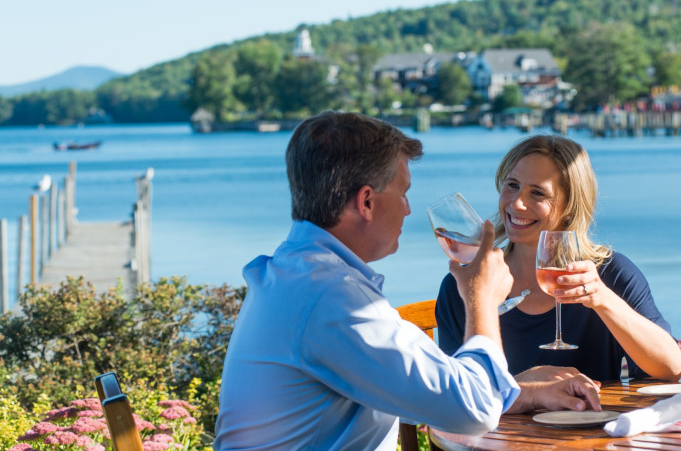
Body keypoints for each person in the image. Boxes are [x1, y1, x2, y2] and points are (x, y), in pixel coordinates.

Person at [214, 113, 601, 451]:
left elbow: (441, 386)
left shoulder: (299, 275)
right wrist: (481, 296)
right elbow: (474, 410)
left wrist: (528, 394)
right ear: (366, 202)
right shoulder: (334, 300)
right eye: (403, 192)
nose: (408, 209)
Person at [436, 134, 681, 386]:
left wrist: (603, 300)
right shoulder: (464, 284)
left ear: (570, 206)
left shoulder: (611, 274)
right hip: (500, 427)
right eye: (512, 185)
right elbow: (453, 396)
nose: (517, 203)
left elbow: (671, 368)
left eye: (537, 193)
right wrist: (522, 386)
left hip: (592, 424)